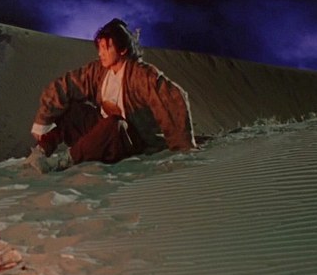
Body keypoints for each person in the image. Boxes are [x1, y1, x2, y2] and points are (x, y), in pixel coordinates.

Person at [24, 18, 196, 172]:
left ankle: (64, 161)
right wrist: (42, 120)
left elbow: (173, 98)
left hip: (128, 141)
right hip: (100, 136)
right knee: (70, 110)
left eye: (107, 47)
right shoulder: (98, 71)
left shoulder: (141, 75)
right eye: (100, 48)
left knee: (114, 123)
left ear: (122, 49)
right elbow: (65, 85)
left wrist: (181, 146)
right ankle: (40, 152)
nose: (101, 53)